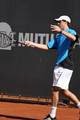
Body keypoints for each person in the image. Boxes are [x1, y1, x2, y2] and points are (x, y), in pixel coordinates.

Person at [24, 15, 80, 120]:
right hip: (58, 65)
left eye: (59, 22)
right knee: (64, 92)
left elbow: (74, 39)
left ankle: (52, 116)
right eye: (57, 22)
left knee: (55, 89)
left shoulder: (71, 32)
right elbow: (47, 46)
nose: (58, 23)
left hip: (66, 65)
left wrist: (61, 31)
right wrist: (32, 44)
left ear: (65, 22)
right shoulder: (58, 37)